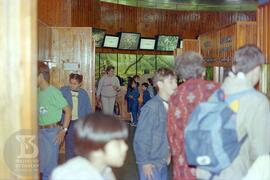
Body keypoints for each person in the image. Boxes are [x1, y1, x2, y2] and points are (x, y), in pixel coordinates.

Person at [196, 45, 270, 180]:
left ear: (235, 68)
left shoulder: (217, 94)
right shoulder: (258, 101)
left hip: (208, 172)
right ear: (256, 70)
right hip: (236, 174)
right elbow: (261, 154)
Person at [167, 52, 220, 180]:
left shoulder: (175, 96)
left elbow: (171, 132)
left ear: (181, 72)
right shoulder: (216, 89)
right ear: (202, 69)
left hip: (184, 162)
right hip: (213, 162)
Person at [51, 112, 129, 180]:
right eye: (118, 144)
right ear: (97, 148)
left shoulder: (104, 169)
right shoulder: (73, 176)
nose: (125, 147)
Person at [133, 68, 177, 180]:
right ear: (160, 84)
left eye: (175, 82)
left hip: (162, 161)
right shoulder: (151, 107)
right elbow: (141, 138)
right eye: (171, 82)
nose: (175, 85)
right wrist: (145, 162)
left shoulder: (170, 105)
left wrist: (168, 152)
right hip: (151, 163)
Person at [37, 61, 71, 180]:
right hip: (40, 132)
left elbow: (68, 110)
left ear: (40, 76)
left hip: (52, 133)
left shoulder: (53, 92)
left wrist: (63, 130)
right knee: (41, 166)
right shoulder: (37, 92)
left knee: (49, 169)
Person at [60, 73, 92, 160]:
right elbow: (57, 105)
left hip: (79, 122)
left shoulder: (83, 94)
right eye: (71, 83)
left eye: (74, 84)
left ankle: (78, 164)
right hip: (68, 122)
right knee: (69, 144)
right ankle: (69, 164)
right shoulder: (63, 91)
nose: (72, 85)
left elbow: (88, 109)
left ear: (80, 84)